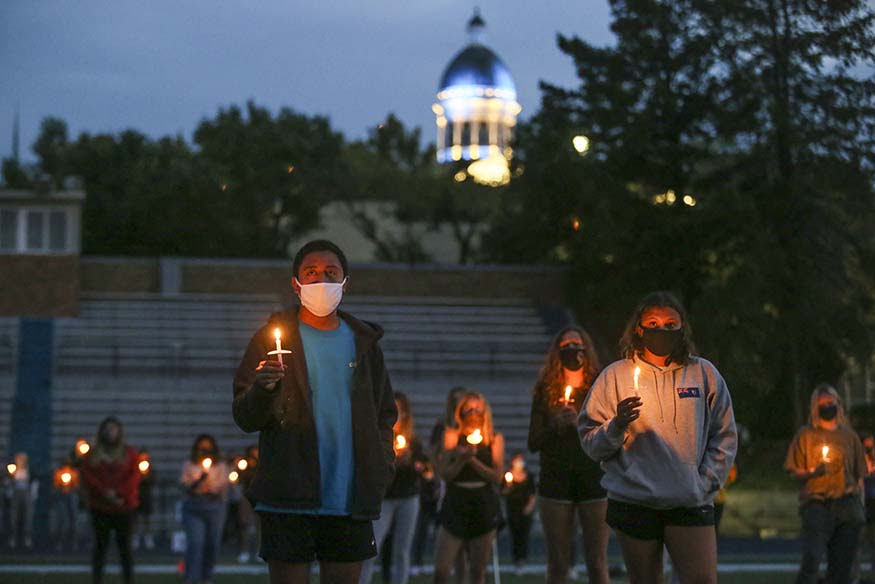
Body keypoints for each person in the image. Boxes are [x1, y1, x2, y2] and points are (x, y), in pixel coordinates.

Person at [233, 239, 397, 584]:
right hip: (288, 496)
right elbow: (245, 417)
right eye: (311, 273)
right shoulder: (271, 339)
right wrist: (263, 390)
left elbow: (384, 413)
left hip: (349, 499)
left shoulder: (364, 343)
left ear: (344, 283)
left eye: (330, 272)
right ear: (296, 285)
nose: (321, 280)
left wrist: (381, 463)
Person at [579, 291, 737, 584]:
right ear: (638, 328)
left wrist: (705, 481)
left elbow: (724, 434)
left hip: (689, 500)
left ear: (682, 328)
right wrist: (617, 424)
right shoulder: (615, 377)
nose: (661, 330)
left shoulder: (703, 374)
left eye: (670, 324)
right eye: (652, 322)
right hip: (635, 501)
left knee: (702, 579)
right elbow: (591, 443)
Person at [529, 325, 609, 584]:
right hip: (556, 479)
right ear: (557, 352)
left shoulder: (599, 385)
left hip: (592, 477)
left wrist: (580, 425)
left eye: (577, 344)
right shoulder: (545, 389)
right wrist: (554, 425)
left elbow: (610, 435)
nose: (572, 349)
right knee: (558, 563)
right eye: (566, 345)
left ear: (586, 349)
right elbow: (533, 441)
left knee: (597, 562)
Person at [785, 384, 866, 584]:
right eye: (823, 403)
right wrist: (814, 472)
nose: (829, 406)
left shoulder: (850, 436)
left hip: (847, 505)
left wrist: (859, 507)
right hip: (817, 505)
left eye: (832, 403)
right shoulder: (805, 435)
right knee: (811, 561)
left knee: (841, 568)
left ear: (839, 405)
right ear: (815, 407)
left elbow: (859, 475)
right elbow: (794, 471)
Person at [433, 391, 505, 584]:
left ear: (485, 411)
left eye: (477, 408)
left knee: (477, 571)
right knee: (442, 570)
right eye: (469, 408)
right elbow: (445, 473)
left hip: (483, 502)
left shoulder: (494, 439)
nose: (473, 412)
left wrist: (471, 460)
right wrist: (460, 459)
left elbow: (496, 476)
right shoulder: (451, 436)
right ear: (461, 411)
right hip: (456, 500)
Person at [360, 392, 427, 584]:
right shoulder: (378, 437)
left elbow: (423, 469)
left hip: (408, 497)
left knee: (402, 550)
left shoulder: (413, 441)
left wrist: (411, 463)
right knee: (373, 549)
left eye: (401, 411)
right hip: (385, 499)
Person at [79, 416, 142, 584]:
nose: (110, 432)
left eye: (113, 429)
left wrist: (118, 493)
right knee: (100, 547)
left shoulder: (130, 454)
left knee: (125, 549)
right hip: (100, 507)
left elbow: (134, 477)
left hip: (124, 507)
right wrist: (104, 492)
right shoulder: (93, 454)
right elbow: (88, 476)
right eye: (107, 429)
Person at [180, 434, 230, 584]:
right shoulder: (189, 465)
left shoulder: (220, 466)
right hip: (194, 506)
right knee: (195, 543)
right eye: (202, 447)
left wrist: (211, 488)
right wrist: (198, 482)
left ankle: (206, 577)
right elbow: (184, 485)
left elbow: (223, 486)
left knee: (212, 543)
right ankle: (191, 577)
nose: (205, 450)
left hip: (214, 508)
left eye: (208, 447)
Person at [502, 452, 536, 575]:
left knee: (524, 536)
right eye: (517, 460)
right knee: (515, 536)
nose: (519, 463)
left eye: (521, 460)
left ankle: (523, 561)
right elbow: (503, 492)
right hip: (512, 510)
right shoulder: (507, 475)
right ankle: (516, 561)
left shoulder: (529, 476)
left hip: (525, 510)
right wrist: (508, 485)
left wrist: (529, 507)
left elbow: (533, 493)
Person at [7, 451, 37, 550]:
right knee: (14, 516)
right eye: (19, 459)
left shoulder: (30, 471)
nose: (21, 461)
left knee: (28, 516)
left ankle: (27, 538)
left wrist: (33, 494)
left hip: (26, 494)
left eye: (22, 459)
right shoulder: (13, 471)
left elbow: (34, 483)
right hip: (16, 494)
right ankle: (13, 537)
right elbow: (8, 483)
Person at [52, 455, 80, 551]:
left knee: (74, 519)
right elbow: (55, 486)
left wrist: (71, 486)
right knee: (61, 519)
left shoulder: (74, 473)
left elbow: (77, 486)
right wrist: (61, 487)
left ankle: (74, 541)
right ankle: (59, 542)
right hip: (61, 497)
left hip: (71, 496)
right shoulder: (58, 473)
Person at [132, 449, 156, 551]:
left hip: (146, 496)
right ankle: (135, 537)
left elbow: (153, 481)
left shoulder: (151, 469)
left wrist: (146, 476)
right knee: (135, 519)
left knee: (147, 519)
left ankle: (148, 536)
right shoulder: (134, 468)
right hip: (136, 496)